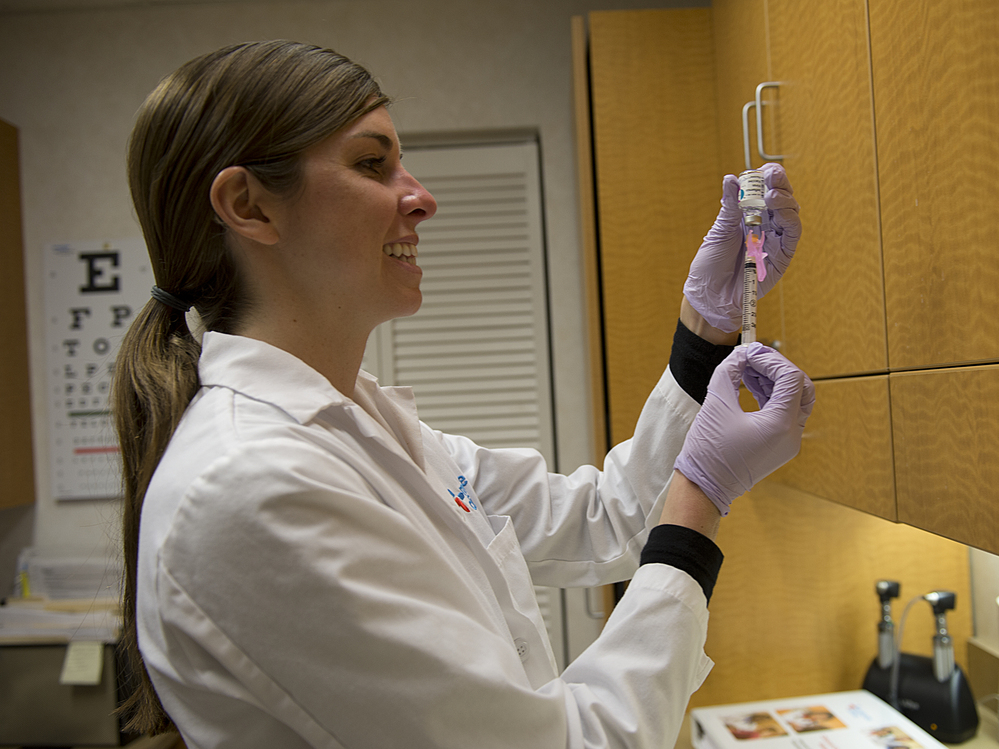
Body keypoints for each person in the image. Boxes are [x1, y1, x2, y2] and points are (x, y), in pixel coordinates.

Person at [112, 40, 813, 749]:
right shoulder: (249, 481)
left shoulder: (364, 428)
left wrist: (705, 329)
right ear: (249, 206)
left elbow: (606, 517)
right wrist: (700, 491)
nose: (421, 197)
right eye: (370, 162)